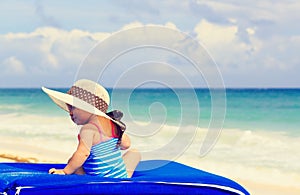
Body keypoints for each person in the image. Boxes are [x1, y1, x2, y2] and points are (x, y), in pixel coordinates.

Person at [42, 79, 141, 178]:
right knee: (134, 153)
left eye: (73, 107)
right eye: (69, 109)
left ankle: (84, 179)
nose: (70, 113)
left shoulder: (88, 129)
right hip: (120, 176)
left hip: (98, 178)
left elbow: (83, 153)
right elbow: (126, 145)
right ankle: (123, 176)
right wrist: (119, 134)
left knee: (73, 162)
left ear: (88, 108)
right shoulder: (113, 124)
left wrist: (65, 171)